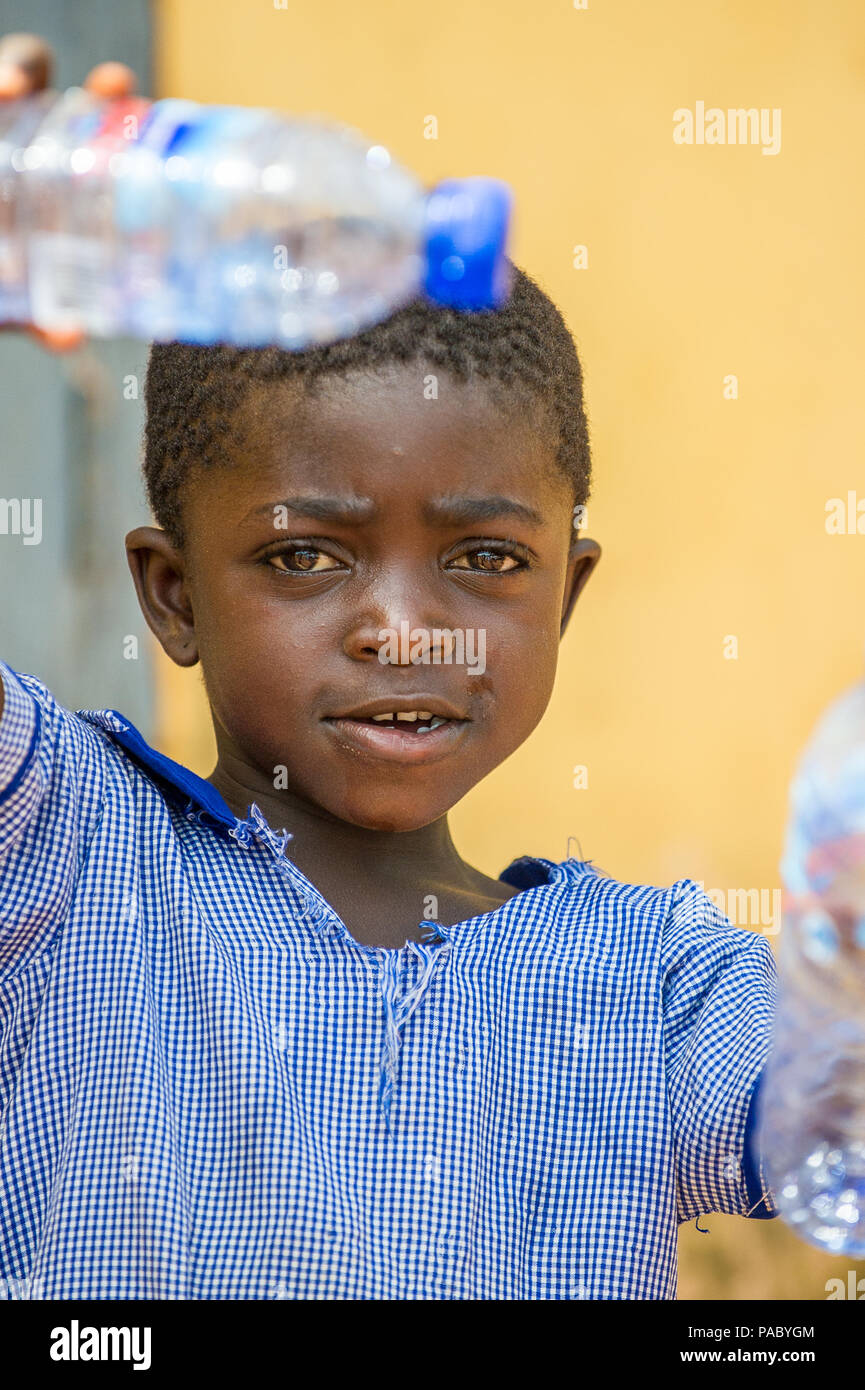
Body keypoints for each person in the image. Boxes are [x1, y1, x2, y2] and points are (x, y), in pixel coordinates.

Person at [0, 34, 778, 1301]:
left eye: (483, 555)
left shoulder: (653, 984)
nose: (407, 630)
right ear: (174, 594)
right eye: (308, 558)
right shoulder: (66, 860)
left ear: (564, 595)